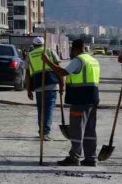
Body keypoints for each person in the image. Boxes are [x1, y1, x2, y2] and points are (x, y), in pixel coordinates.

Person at [43, 39, 101, 167]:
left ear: (75, 49)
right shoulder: (93, 60)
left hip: (80, 99)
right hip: (93, 98)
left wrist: (48, 62)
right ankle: (91, 158)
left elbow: (63, 72)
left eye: (71, 49)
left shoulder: (78, 60)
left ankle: (74, 157)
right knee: (90, 130)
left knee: (77, 129)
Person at [26, 36, 62, 140]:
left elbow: (27, 75)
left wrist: (28, 90)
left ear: (34, 45)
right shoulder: (50, 51)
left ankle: (42, 131)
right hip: (52, 83)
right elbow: (59, 68)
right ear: (43, 44)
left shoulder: (30, 55)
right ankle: (45, 132)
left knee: (41, 109)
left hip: (38, 85)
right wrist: (62, 84)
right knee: (49, 108)